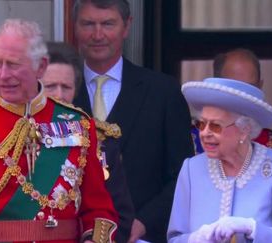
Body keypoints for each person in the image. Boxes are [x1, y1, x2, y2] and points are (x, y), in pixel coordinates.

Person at [0, 19, 118, 243]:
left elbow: (99, 210)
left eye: (13, 64)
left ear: (40, 66)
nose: (3, 75)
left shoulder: (78, 124)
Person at [72, 1, 195, 242]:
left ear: (127, 26)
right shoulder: (57, 92)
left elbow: (183, 175)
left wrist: (144, 222)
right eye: (88, 24)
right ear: (74, 27)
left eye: (108, 24)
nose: (98, 34)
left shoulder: (163, 92)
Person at [167, 77, 272, 242]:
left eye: (215, 126)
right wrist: (194, 239)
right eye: (201, 124)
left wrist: (254, 229)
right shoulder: (191, 170)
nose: (204, 133)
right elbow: (174, 239)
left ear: (244, 130)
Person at [43, 41, 135, 242]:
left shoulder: (98, 142)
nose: (59, 95)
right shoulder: (16, 138)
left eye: (65, 87)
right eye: (51, 86)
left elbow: (121, 215)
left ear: (75, 91)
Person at [213, 48, 272, 162]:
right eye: (233, 88)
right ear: (215, 87)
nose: (241, 96)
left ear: (260, 87)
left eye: (250, 88)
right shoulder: (193, 143)